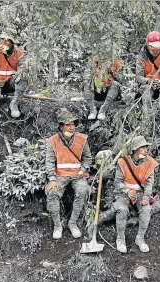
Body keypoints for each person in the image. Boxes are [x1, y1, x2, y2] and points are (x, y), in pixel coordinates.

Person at [45, 108, 92, 239]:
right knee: (52, 193)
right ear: (61, 126)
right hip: (60, 176)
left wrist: (82, 170)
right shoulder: (52, 141)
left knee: (83, 190)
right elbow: (49, 162)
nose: (72, 127)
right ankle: (57, 226)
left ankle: (73, 223)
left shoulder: (82, 139)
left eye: (73, 124)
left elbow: (88, 158)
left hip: (78, 175)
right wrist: (52, 179)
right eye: (68, 124)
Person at [113, 136, 159, 253]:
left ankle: (140, 239)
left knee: (146, 209)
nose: (145, 150)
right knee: (122, 209)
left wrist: (145, 197)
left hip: (140, 193)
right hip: (124, 193)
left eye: (146, 147)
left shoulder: (150, 163)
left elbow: (149, 184)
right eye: (142, 147)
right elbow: (117, 182)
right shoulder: (123, 162)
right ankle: (120, 239)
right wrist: (127, 191)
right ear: (135, 149)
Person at [0, 29, 26, 135]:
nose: (3, 41)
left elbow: (22, 68)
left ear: (12, 43)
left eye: (7, 40)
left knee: (25, 76)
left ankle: (14, 104)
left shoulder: (18, 53)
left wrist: (19, 74)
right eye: (2, 39)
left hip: (10, 81)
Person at [135, 31, 160, 104]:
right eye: (153, 50)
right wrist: (149, 81)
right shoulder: (141, 58)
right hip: (147, 86)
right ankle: (147, 112)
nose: (156, 52)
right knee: (147, 89)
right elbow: (138, 77)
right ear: (148, 46)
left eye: (158, 49)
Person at [83, 55, 124, 120]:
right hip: (97, 91)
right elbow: (86, 77)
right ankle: (92, 110)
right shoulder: (93, 60)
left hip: (111, 91)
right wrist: (95, 71)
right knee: (87, 83)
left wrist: (112, 71)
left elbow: (121, 81)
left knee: (115, 84)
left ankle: (103, 110)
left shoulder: (117, 61)